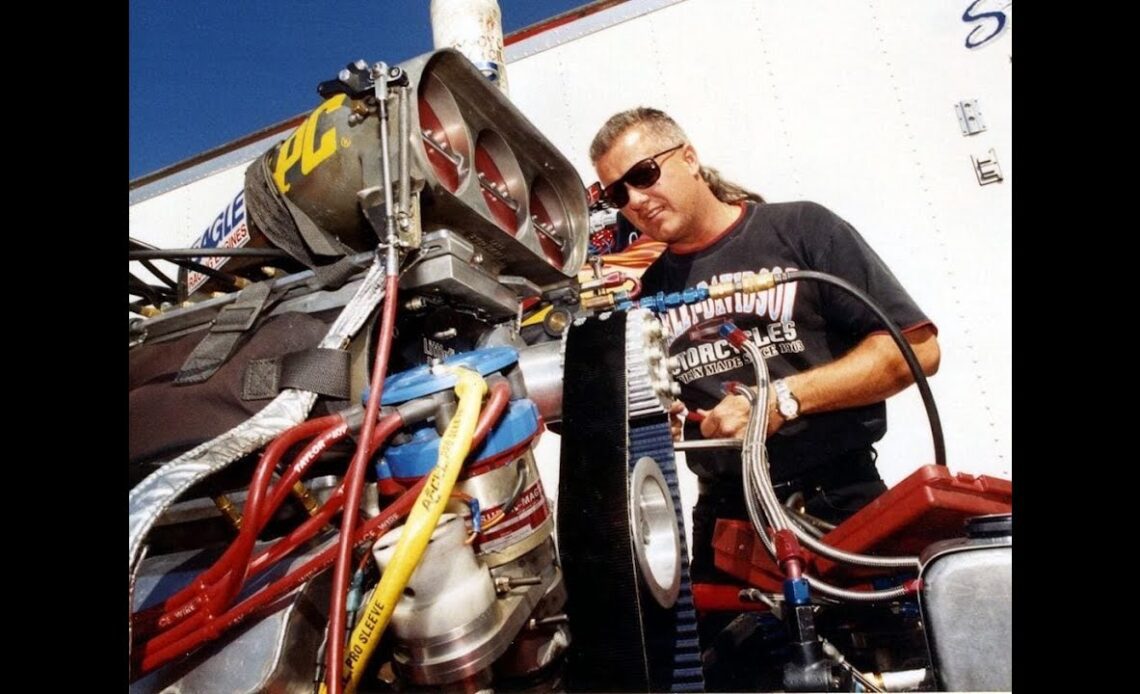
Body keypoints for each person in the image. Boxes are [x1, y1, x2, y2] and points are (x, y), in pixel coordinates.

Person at [590, 107, 940, 684]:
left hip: (839, 507)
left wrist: (780, 399)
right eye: (616, 193)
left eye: (644, 174)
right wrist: (666, 421)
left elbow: (917, 350)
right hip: (729, 524)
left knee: (895, 671)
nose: (634, 199)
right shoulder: (648, 298)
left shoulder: (799, 229)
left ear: (688, 157)